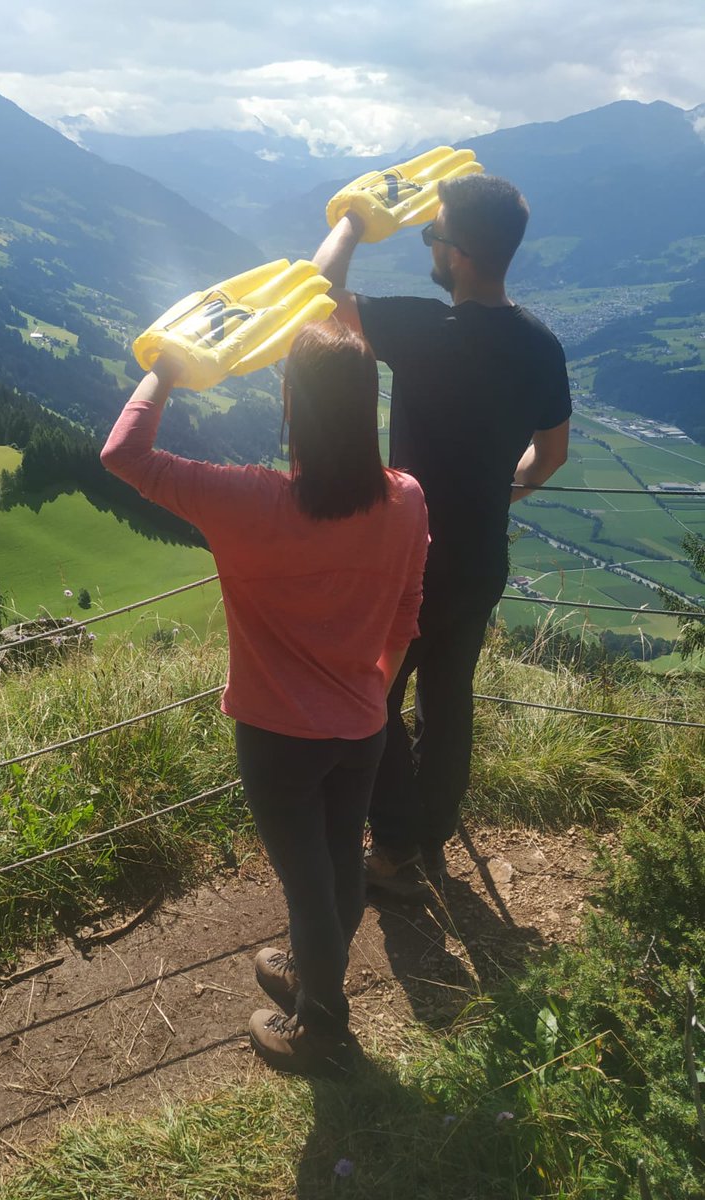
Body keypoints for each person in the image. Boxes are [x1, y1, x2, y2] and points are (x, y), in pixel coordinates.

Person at [101, 321, 428, 1074]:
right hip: (362, 724)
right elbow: (408, 610)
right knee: (340, 862)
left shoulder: (250, 502)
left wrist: (167, 370)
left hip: (278, 739)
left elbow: (124, 454)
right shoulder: (405, 499)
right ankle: (316, 970)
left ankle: (319, 1024)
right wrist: (372, 687)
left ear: (292, 403)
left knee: (309, 884)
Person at [312, 173, 572, 899]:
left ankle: (393, 848)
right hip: (483, 557)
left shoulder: (426, 330)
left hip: (412, 560)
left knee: (377, 697)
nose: (426, 243)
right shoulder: (541, 346)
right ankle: (430, 836)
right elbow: (551, 455)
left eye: (431, 234)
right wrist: (502, 488)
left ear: (456, 253)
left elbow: (318, 296)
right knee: (449, 699)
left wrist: (356, 223)